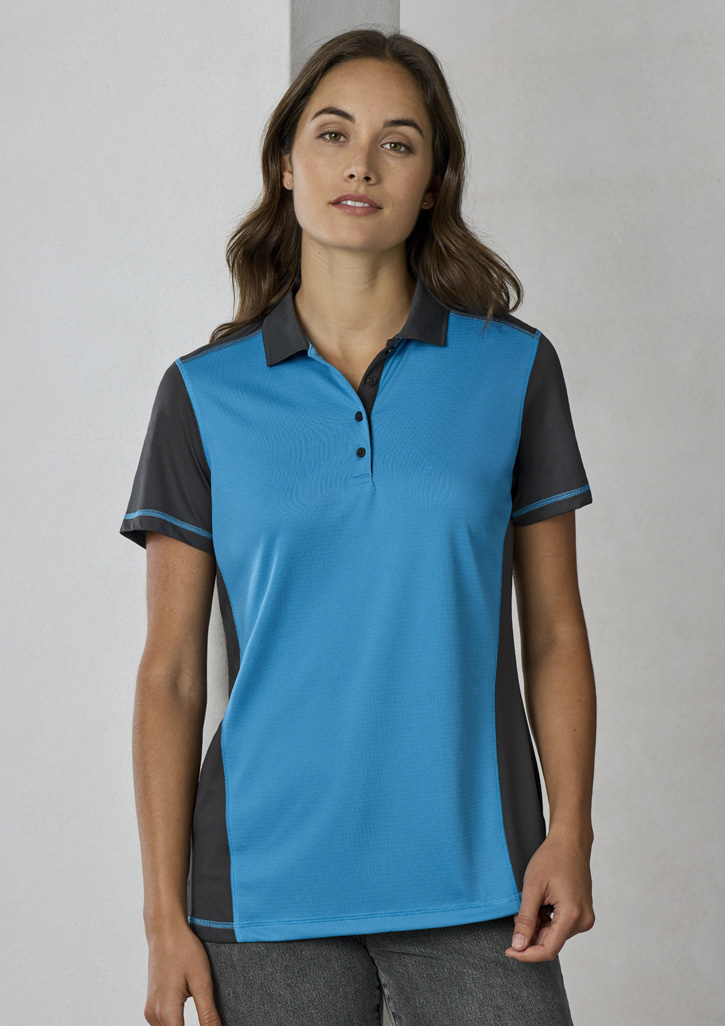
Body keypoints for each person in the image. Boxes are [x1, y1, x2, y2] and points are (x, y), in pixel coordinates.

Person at [120, 28, 596, 1026]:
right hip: (263, 895)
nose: (361, 164)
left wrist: (570, 832)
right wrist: (164, 920)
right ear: (286, 165)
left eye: (398, 142)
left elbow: (552, 631)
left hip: (480, 881)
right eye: (332, 134)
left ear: (432, 182)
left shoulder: (511, 370)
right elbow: (170, 673)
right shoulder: (203, 395)